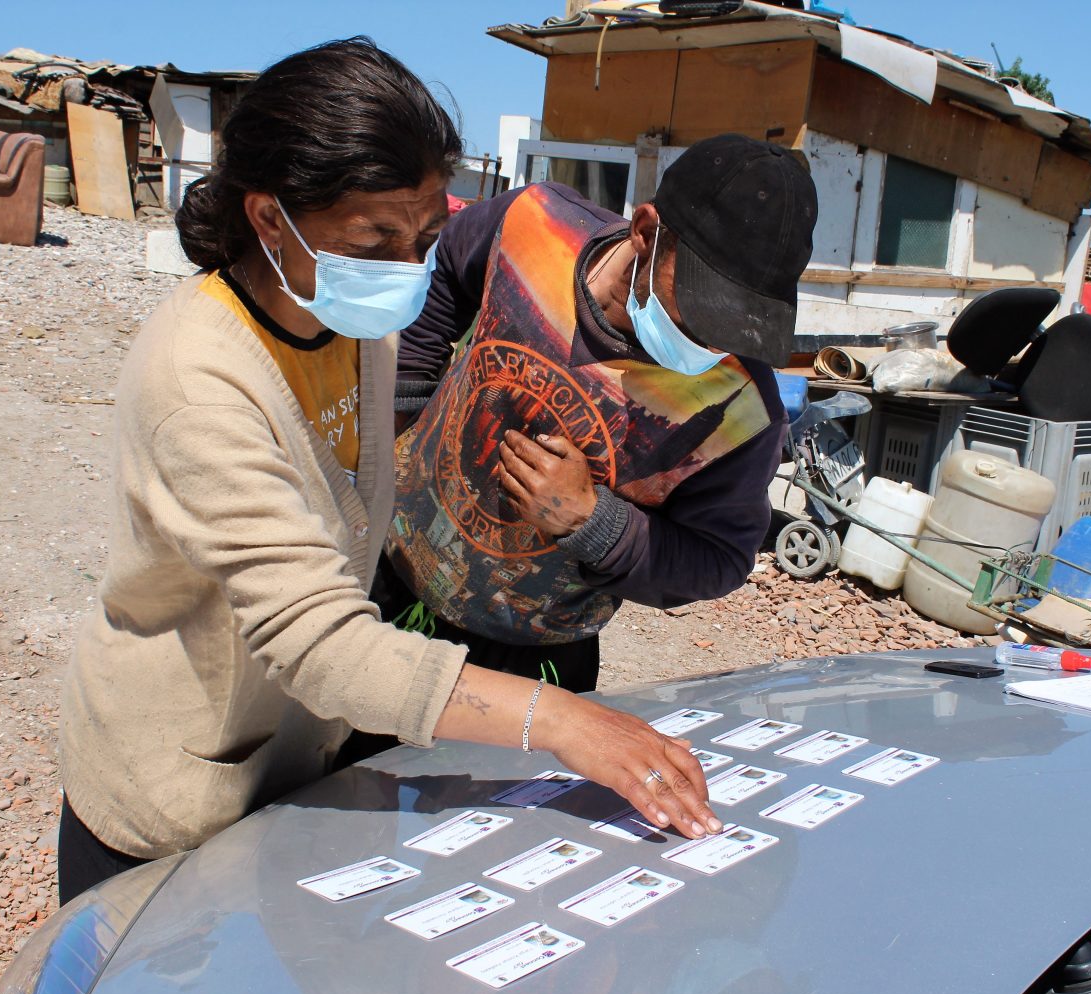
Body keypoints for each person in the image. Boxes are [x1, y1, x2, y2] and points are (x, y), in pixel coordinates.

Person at [57, 38, 719, 905]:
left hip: (293, 765)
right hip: (179, 790)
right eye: (375, 240)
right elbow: (317, 641)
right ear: (268, 219)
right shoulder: (199, 381)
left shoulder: (353, 322)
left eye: (426, 237)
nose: (409, 270)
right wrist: (555, 719)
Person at [382, 134, 818, 692]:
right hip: (392, 587)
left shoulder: (742, 410)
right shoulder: (533, 225)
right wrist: (408, 402)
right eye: (704, 306)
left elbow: (719, 560)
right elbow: (443, 270)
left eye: (740, 324)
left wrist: (594, 524)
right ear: (646, 232)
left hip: (533, 657)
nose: (712, 343)